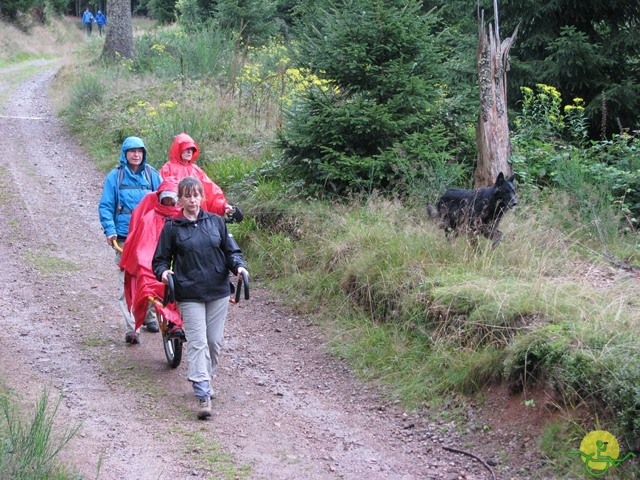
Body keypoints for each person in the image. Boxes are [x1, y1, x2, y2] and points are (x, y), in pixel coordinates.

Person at [152, 176, 249, 420]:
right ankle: (203, 392)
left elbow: (231, 251)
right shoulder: (172, 227)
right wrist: (164, 272)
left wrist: (239, 267)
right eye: (187, 196)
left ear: (201, 197)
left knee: (214, 342)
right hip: (189, 293)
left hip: (217, 291)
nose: (192, 200)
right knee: (198, 342)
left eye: (196, 195)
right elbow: (159, 260)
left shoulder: (216, 222)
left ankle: (206, 375)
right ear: (180, 200)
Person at [98, 136, 162, 344]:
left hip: (150, 235)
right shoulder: (114, 177)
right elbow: (106, 206)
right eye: (132, 151)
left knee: (151, 276)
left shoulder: (152, 175)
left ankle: (150, 316)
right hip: (125, 237)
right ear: (125, 154)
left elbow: (164, 201)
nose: (136, 155)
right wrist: (110, 230)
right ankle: (131, 326)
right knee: (126, 280)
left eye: (140, 151)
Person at [120, 177, 182, 337]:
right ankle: (135, 326)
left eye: (171, 200)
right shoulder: (149, 218)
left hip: (175, 261)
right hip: (155, 262)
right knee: (147, 281)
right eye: (165, 200)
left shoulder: (183, 217)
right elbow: (144, 249)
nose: (168, 203)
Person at [159, 133, 233, 216]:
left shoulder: (196, 170)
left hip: (197, 217)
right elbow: (163, 197)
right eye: (186, 148)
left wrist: (223, 206)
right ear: (178, 149)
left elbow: (211, 191)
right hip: (176, 220)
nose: (189, 151)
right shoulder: (167, 169)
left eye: (191, 149)